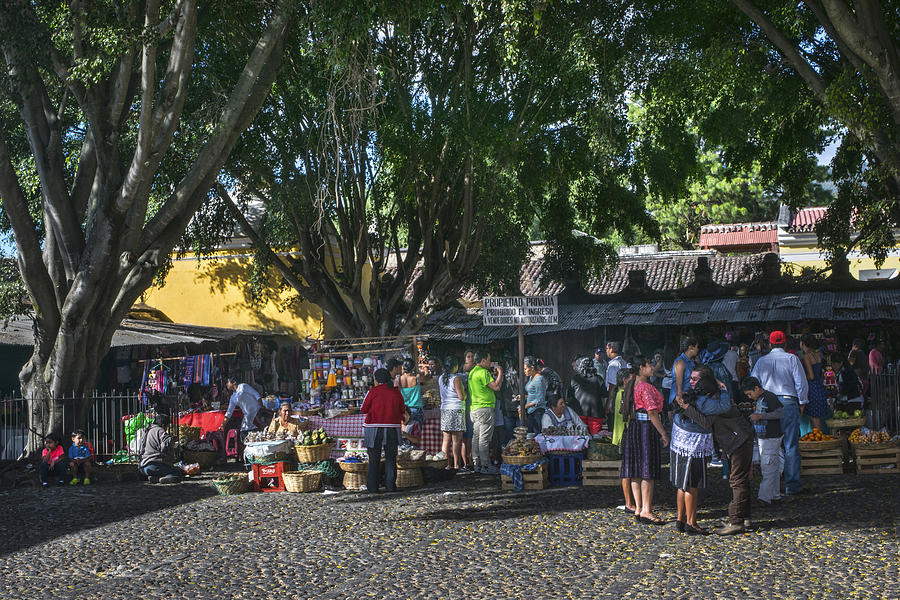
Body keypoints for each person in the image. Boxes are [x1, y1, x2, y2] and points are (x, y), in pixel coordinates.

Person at [677, 390, 755, 535]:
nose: (693, 383)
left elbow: (706, 422)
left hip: (739, 442)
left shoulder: (715, 403)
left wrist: (688, 409)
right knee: (741, 481)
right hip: (736, 441)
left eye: (695, 379)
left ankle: (736, 521)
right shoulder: (716, 400)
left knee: (737, 481)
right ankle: (744, 518)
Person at [669, 366, 730, 534]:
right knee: (691, 484)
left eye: (695, 379)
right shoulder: (705, 401)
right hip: (693, 444)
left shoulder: (688, 395)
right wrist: (723, 389)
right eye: (691, 378)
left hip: (679, 440)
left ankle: (681, 520)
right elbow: (723, 407)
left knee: (682, 484)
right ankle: (691, 523)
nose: (691, 381)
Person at [750, 330, 808, 496]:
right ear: (784, 344)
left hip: (768, 403)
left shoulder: (761, 361)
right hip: (788, 402)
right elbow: (801, 383)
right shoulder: (792, 359)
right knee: (790, 445)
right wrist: (802, 403)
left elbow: (754, 382)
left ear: (770, 344)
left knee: (769, 445)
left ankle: (770, 486)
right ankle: (792, 486)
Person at [619, 355, 669, 525]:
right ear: (641, 367)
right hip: (646, 428)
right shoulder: (645, 387)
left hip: (634, 427)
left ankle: (639, 508)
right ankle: (646, 509)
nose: (652, 367)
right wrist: (663, 433)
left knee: (635, 470)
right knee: (646, 469)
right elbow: (652, 412)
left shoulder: (632, 385)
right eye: (649, 364)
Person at [361, 368, 407, 492]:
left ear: (376, 380)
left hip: (374, 428)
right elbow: (402, 409)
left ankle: (373, 487)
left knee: (374, 458)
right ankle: (391, 486)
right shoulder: (396, 392)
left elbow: (363, 409)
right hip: (392, 427)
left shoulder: (373, 391)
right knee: (391, 458)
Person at [741, 376, 783, 506]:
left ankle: (764, 497)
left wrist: (761, 416)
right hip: (764, 437)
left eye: (750, 393)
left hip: (771, 436)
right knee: (772, 467)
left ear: (757, 388)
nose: (749, 397)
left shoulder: (770, 397)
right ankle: (774, 495)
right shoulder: (760, 398)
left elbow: (780, 413)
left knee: (768, 467)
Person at [467, 352, 503, 474]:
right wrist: (500, 372)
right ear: (482, 361)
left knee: (476, 438)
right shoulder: (483, 372)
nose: (490, 362)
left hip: (475, 409)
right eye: (489, 360)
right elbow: (496, 387)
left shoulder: (472, 372)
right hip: (485, 409)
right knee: (484, 439)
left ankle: (477, 464)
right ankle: (485, 465)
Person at [613, 368, 635, 512]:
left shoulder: (621, 394)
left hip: (624, 434)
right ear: (625, 380)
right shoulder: (622, 395)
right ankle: (629, 503)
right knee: (627, 471)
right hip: (625, 434)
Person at [439, 357, 467, 470]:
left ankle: (445, 464)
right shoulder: (456, 379)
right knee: (456, 441)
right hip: (456, 409)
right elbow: (461, 397)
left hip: (445, 409)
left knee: (446, 440)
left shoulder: (441, 378)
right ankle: (456, 465)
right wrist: (465, 393)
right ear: (455, 366)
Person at [138, 414, 183, 483]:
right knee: (177, 473)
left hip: (143, 466)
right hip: (155, 465)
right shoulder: (160, 430)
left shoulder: (147, 430)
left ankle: (151, 477)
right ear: (163, 425)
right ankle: (161, 479)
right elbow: (165, 445)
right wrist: (172, 440)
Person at [219, 377, 262, 442]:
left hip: (257, 413)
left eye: (228, 382)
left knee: (259, 433)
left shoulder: (243, 386)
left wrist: (261, 408)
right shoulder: (233, 397)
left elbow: (256, 395)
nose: (226, 384)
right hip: (248, 417)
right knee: (244, 435)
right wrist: (222, 425)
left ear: (234, 383)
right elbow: (229, 413)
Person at [800, 334, 828, 431]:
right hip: (820, 386)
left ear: (802, 343)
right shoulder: (818, 355)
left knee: (814, 418)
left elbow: (811, 376)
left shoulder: (806, 356)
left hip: (812, 388)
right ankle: (818, 439)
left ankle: (817, 441)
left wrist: (802, 378)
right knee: (818, 416)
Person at [669, 338, 699, 411]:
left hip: (688, 396)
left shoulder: (692, 361)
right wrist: (679, 396)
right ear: (691, 348)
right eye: (697, 347)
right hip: (680, 398)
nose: (698, 349)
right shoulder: (680, 362)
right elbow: (679, 383)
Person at [521, 356, 548, 434]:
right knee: (529, 434)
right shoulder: (531, 377)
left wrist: (525, 406)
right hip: (531, 410)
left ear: (532, 368)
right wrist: (523, 397)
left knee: (536, 434)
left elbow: (540, 399)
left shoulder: (539, 379)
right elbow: (534, 394)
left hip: (537, 411)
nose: (524, 371)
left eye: (525, 369)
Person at [399, 358, 425, 431]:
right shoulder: (417, 378)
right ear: (413, 367)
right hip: (416, 409)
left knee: (405, 432)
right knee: (417, 433)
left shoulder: (398, 380)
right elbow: (427, 379)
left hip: (404, 410)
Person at [604, 341, 628, 416]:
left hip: (616, 398)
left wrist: (608, 404)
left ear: (611, 349)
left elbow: (612, 386)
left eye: (607, 348)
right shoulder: (623, 362)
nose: (606, 350)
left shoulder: (613, 366)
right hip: (625, 395)